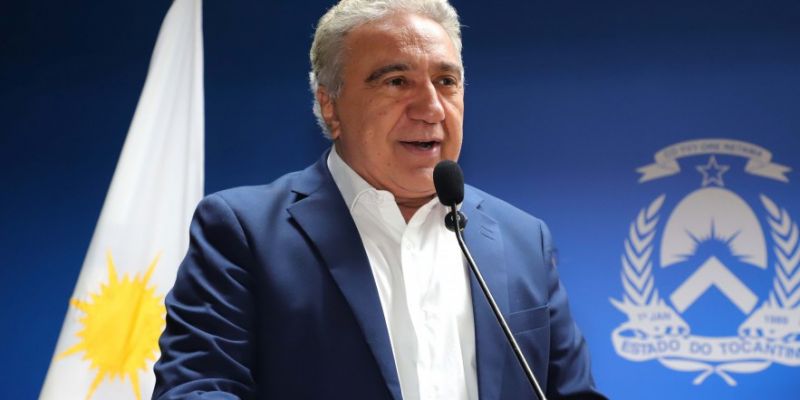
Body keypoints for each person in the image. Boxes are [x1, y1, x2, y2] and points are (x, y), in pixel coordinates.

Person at [153, 0, 606, 399]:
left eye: (446, 80)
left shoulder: (524, 239)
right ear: (330, 106)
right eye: (396, 81)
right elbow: (197, 387)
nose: (431, 107)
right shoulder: (243, 232)